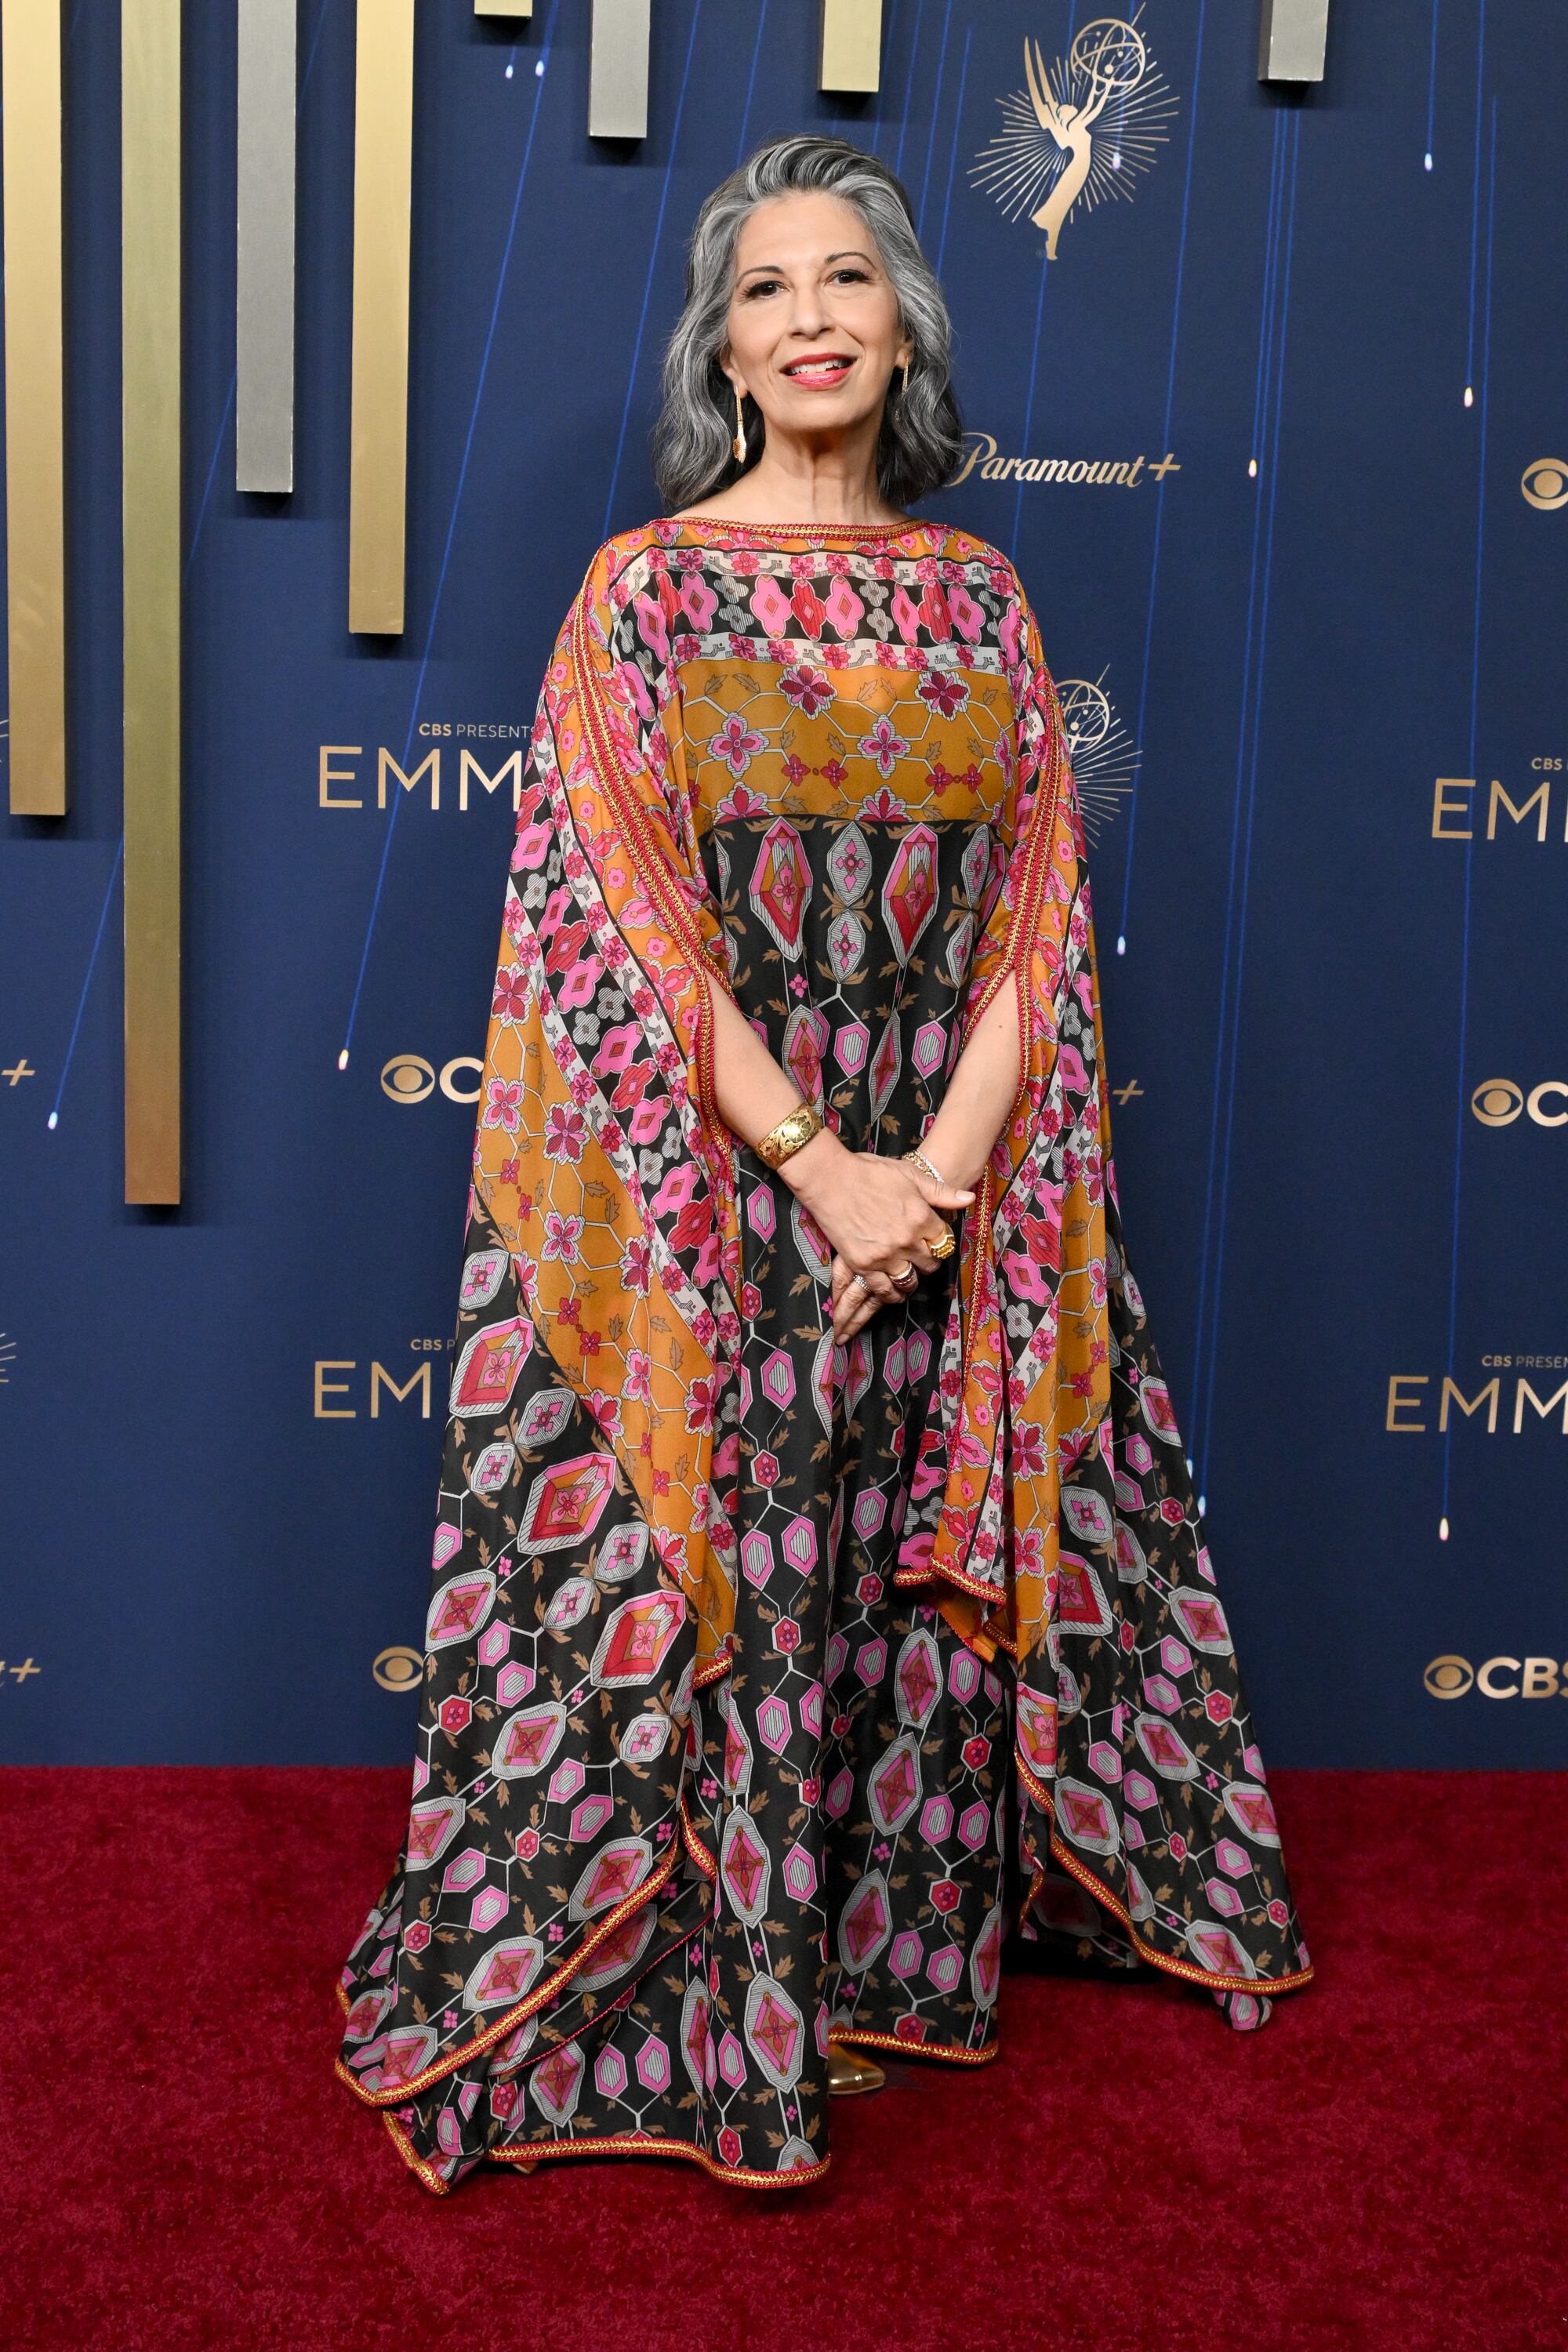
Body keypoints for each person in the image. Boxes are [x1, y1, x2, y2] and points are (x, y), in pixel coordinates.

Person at [336, 132, 1311, 2197]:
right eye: (767, 289)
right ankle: (721, 2000)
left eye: (846, 279)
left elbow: (1039, 921)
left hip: (933, 1207)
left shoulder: (982, 595)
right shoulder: (648, 595)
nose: (808, 318)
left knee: (898, 1569)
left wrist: (933, 1186)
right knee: (747, 1581)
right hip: (724, 1204)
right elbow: (620, 926)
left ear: (904, 329)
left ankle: (890, 1953)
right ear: (724, 345)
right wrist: (824, 1174)